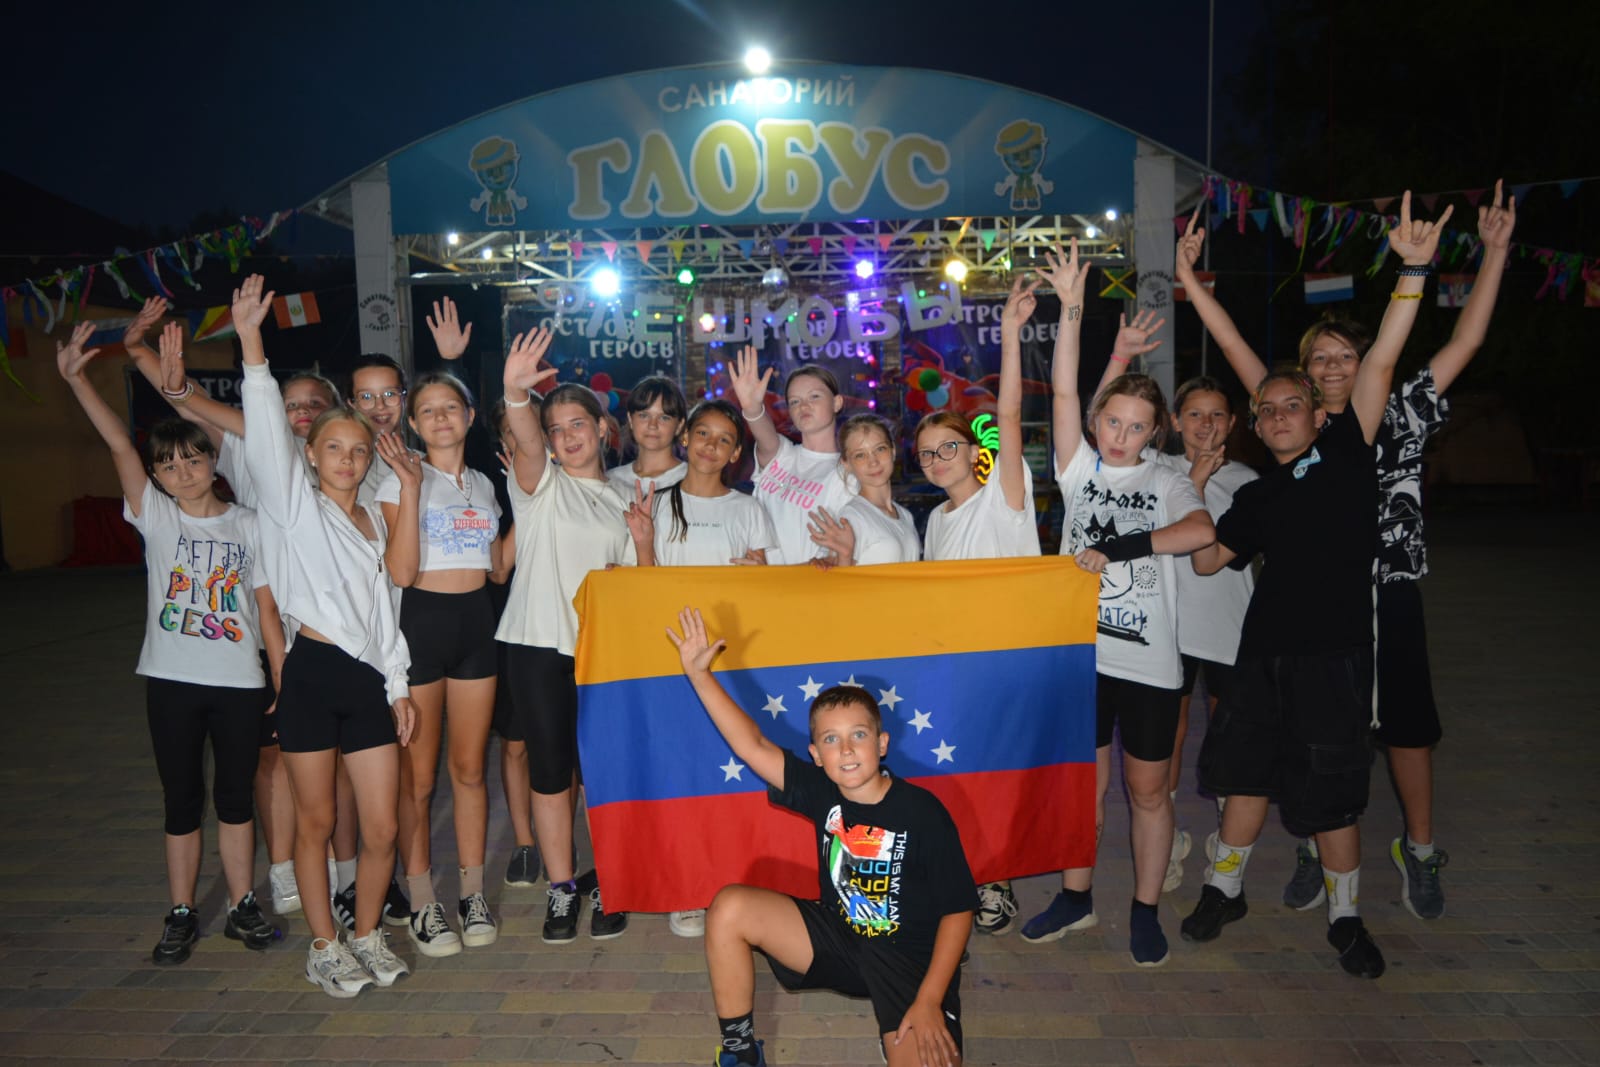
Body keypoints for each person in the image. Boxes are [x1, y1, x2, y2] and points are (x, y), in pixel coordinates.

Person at [1180, 184, 1513, 919]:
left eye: (1344, 356)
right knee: (1310, 727)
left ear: (1363, 360)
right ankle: (1313, 843)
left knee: (1405, 726)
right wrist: (1191, 285)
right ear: (1302, 376)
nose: (1332, 365)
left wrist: (1490, 253)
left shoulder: (1394, 408)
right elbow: (1237, 352)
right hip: (1312, 601)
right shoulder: (1293, 420)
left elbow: (1462, 344)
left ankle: (1418, 848)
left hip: (1386, 586)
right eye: (1319, 358)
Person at [57, 321, 283, 965]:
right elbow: (117, 444)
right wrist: (77, 380)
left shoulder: (249, 524)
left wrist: (281, 678)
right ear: (156, 476)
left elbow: (266, 609)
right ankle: (182, 911)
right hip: (173, 683)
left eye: (192, 458)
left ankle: (241, 904)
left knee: (236, 801)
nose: (182, 471)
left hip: (240, 683)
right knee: (182, 801)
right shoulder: (155, 517)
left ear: (213, 462)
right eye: (168, 464)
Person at [1017, 240, 1215, 967]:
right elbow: (1065, 393)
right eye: (1113, 422)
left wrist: (1122, 547)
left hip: (1150, 666)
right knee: (1085, 790)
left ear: (1154, 431)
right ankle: (1076, 898)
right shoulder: (1078, 469)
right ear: (1099, 421)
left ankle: (1145, 908)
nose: (1122, 436)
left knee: (1149, 792)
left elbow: (1201, 531)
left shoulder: (1166, 476)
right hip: (1084, 658)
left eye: (1137, 426)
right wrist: (1071, 309)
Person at [667, 607, 974, 1067]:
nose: (845, 749)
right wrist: (699, 674)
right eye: (830, 740)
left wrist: (930, 1000)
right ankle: (740, 1051)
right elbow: (752, 744)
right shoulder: (821, 790)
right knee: (729, 908)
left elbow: (958, 910)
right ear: (815, 754)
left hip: (908, 962)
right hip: (840, 939)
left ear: (882, 743)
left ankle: (903, 1026)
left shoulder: (923, 812)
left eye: (858, 735)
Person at [233, 274, 419, 997]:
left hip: (369, 680)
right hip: (311, 674)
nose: (347, 457)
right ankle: (324, 945)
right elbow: (262, 431)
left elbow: (386, 612)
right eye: (333, 446)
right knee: (315, 821)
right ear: (310, 453)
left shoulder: (373, 521)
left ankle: (366, 932)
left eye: (358, 450)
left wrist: (398, 686)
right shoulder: (292, 507)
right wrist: (252, 344)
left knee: (381, 828)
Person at [496, 328, 637, 942]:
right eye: (555, 429)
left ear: (603, 428)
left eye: (578, 423)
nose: (566, 436)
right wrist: (516, 394)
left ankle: (609, 878)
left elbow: (636, 586)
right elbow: (525, 442)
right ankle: (561, 888)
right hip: (537, 646)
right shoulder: (541, 486)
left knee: (603, 773)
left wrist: (644, 544)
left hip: (602, 654)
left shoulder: (628, 496)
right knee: (550, 772)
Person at [916, 274, 1042, 935]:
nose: (938, 459)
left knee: (996, 777)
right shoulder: (934, 523)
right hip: (955, 667)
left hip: (1006, 663)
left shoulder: (1005, 497)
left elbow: (1012, 416)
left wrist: (1011, 335)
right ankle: (964, 874)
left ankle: (997, 883)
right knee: (958, 775)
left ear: (975, 450)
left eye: (949, 447)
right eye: (927, 454)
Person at [376, 370, 505, 957]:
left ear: (470, 416)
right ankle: (423, 899)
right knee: (419, 780)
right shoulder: (396, 477)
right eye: (426, 410)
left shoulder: (484, 483)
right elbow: (401, 572)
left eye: (450, 407)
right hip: (421, 628)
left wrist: (531, 504)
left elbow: (496, 569)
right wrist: (409, 488)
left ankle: (472, 895)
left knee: (471, 770)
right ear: (412, 422)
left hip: (477, 626)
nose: (440, 418)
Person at [1154, 377, 1258, 893]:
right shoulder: (1156, 471)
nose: (1206, 424)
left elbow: (1224, 555)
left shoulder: (1247, 481)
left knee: (1228, 733)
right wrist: (1192, 480)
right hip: (1169, 627)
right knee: (1166, 736)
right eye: (1194, 414)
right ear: (1176, 421)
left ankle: (1226, 832)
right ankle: (1167, 836)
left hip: (1228, 625)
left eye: (1217, 414)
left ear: (1233, 423)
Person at [729, 351, 855, 564]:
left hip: (803, 583)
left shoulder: (847, 474)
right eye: (795, 401)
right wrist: (752, 407)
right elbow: (764, 434)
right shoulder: (783, 454)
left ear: (837, 403)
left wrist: (772, 576)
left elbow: (835, 559)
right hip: (757, 580)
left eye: (814, 396)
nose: (804, 406)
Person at [806, 414, 921, 566]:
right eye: (860, 455)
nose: (873, 461)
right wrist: (843, 557)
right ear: (846, 463)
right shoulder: (851, 518)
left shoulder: (905, 515)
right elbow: (837, 576)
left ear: (892, 451)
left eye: (880, 449)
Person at [607, 375, 689, 499]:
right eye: (644, 415)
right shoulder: (611, 481)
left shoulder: (693, 481)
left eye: (664, 418)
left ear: (679, 425)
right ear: (630, 420)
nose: (652, 425)